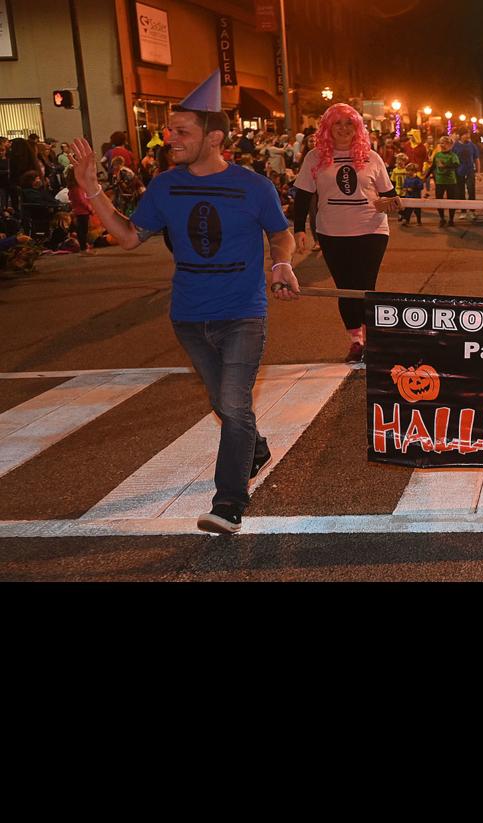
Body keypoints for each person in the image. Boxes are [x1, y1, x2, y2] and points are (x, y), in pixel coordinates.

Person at [69, 83, 297, 535]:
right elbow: (131, 236)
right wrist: (92, 189)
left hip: (242, 313)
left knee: (232, 405)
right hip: (189, 318)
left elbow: (280, 232)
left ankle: (229, 503)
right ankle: (253, 447)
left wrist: (283, 264)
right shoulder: (165, 185)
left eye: (181, 130)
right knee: (226, 404)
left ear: (214, 137)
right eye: (169, 129)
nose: (169, 137)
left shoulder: (254, 186)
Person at [292, 102, 402, 362]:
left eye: (348, 123)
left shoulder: (371, 156)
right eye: (337, 123)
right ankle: (356, 340)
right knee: (345, 288)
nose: (343, 128)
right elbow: (303, 196)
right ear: (328, 127)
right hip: (332, 231)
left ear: (357, 127)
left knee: (365, 287)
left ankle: (371, 338)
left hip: (371, 229)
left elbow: (390, 195)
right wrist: (299, 229)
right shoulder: (314, 157)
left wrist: (391, 203)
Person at [429, 136, 461, 226]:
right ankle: (442, 218)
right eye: (441, 143)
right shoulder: (437, 155)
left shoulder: (453, 155)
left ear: (450, 145)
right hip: (439, 181)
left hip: (451, 181)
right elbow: (433, 167)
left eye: (444, 143)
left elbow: (456, 165)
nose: (442, 145)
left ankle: (451, 219)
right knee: (439, 201)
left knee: (451, 201)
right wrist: (425, 177)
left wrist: (445, 166)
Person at [452, 129, 480, 221]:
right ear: (460, 135)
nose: (467, 136)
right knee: (460, 191)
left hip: (470, 171)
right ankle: (463, 211)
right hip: (459, 172)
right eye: (465, 134)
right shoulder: (455, 146)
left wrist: (478, 172)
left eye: (468, 134)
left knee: (471, 190)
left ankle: (472, 211)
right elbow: (452, 159)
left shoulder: (472, 145)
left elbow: (476, 159)